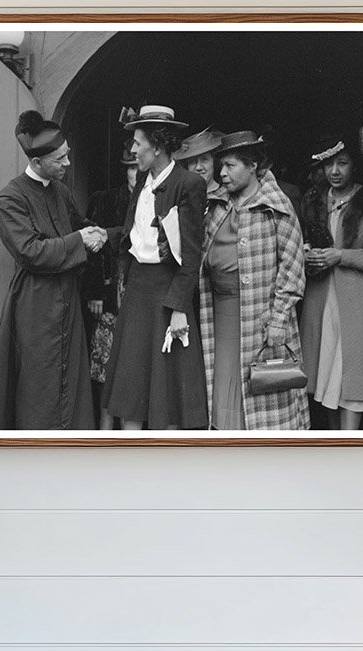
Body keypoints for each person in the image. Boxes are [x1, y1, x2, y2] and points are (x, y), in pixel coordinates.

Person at [0, 109, 104, 429]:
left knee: (71, 381)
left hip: (68, 299)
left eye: (67, 156)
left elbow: (82, 228)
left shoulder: (61, 191)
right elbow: (31, 253)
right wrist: (81, 239)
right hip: (35, 305)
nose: (67, 165)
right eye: (60, 160)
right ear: (37, 162)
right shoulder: (11, 197)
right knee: (38, 385)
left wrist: (101, 233)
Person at [102, 105, 208, 430]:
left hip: (167, 294)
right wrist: (101, 236)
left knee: (168, 391)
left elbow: (191, 254)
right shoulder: (141, 183)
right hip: (137, 292)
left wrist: (178, 308)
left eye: (137, 142)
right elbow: (136, 234)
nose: (133, 150)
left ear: (157, 146)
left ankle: (168, 467)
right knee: (130, 388)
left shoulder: (188, 183)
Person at [200, 131, 310, 431]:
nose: (222, 173)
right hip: (219, 313)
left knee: (260, 393)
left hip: (261, 318)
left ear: (253, 166)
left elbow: (293, 267)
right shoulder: (216, 205)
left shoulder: (276, 206)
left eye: (230, 166)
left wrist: (278, 320)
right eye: (220, 166)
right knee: (222, 379)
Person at [300, 135, 363, 430]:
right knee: (324, 374)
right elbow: (299, 240)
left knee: (350, 374)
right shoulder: (314, 201)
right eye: (329, 164)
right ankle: (332, 440)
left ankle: (352, 441)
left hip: (355, 301)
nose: (335, 171)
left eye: (343, 163)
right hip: (320, 296)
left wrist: (340, 256)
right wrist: (304, 251)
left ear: (355, 165)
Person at [83, 143, 139, 429]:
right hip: (110, 297)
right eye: (130, 167)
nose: (136, 173)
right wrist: (95, 291)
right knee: (105, 365)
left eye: (139, 166)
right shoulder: (106, 200)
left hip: (140, 295)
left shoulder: (158, 200)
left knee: (134, 370)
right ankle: (104, 431)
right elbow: (94, 248)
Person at [173, 127, 224, 200]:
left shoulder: (228, 195)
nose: (198, 167)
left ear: (214, 162)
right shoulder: (179, 197)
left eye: (204, 160)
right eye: (192, 162)